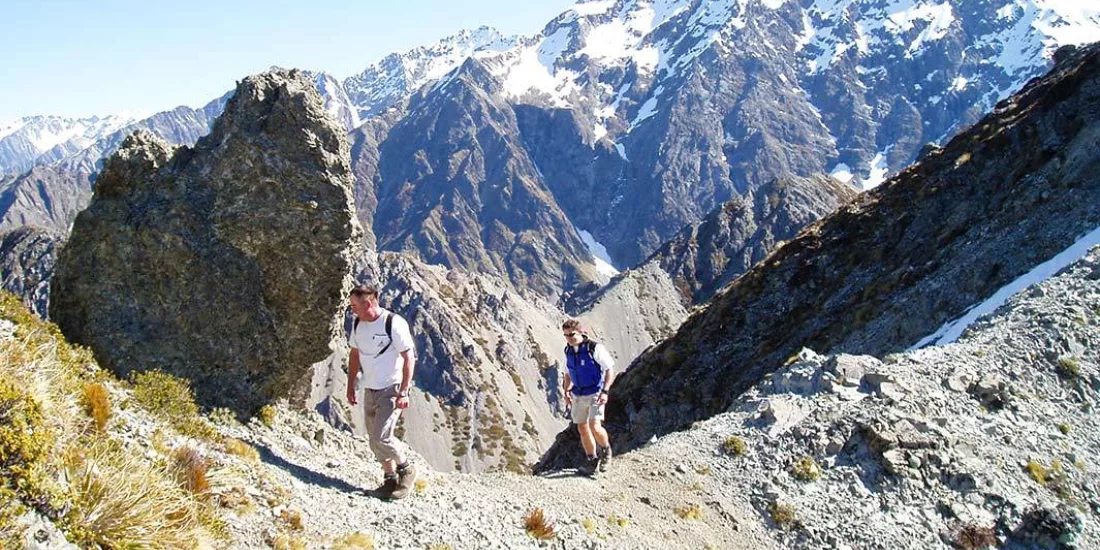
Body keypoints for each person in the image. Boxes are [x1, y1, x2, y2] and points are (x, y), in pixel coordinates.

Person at [346, 284, 417, 499]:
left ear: (368, 303)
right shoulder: (358, 324)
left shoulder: (393, 323)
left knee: (382, 436)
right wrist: (351, 384)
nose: (352, 310)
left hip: (392, 388)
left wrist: (404, 391)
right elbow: (354, 355)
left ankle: (406, 469)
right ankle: (389, 480)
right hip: (371, 387)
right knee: (373, 439)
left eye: (355, 306)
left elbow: (409, 358)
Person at [561, 319, 616, 476]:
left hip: (595, 393)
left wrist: (605, 391)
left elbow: (609, 369)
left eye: (571, 334)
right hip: (578, 393)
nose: (569, 338)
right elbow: (568, 373)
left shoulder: (594, 348)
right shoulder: (568, 351)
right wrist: (566, 392)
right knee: (582, 427)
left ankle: (606, 451)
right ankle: (592, 460)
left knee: (594, 425)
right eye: (565, 335)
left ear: (581, 332)